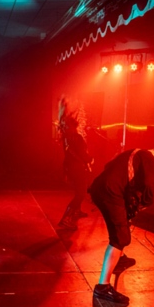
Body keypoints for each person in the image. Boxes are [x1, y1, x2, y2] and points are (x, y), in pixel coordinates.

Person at [89, 146, 154, 306]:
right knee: (121, 238)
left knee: (122, 223)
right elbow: (148, 186)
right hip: (111, 193)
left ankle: (119, 259)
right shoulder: (153, 160)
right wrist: (144, 203)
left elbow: (110, 166)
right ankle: (102, 288)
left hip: (99, 188)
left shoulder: (135, 152)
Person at [57, 95, 93, 230]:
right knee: (80, 194)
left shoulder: (67, 136)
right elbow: (83, 154)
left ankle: (76, 211)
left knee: (79, 191)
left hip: (71, 168)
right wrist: (90, 159)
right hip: (77, 168)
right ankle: (66, 219)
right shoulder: (77, 137)